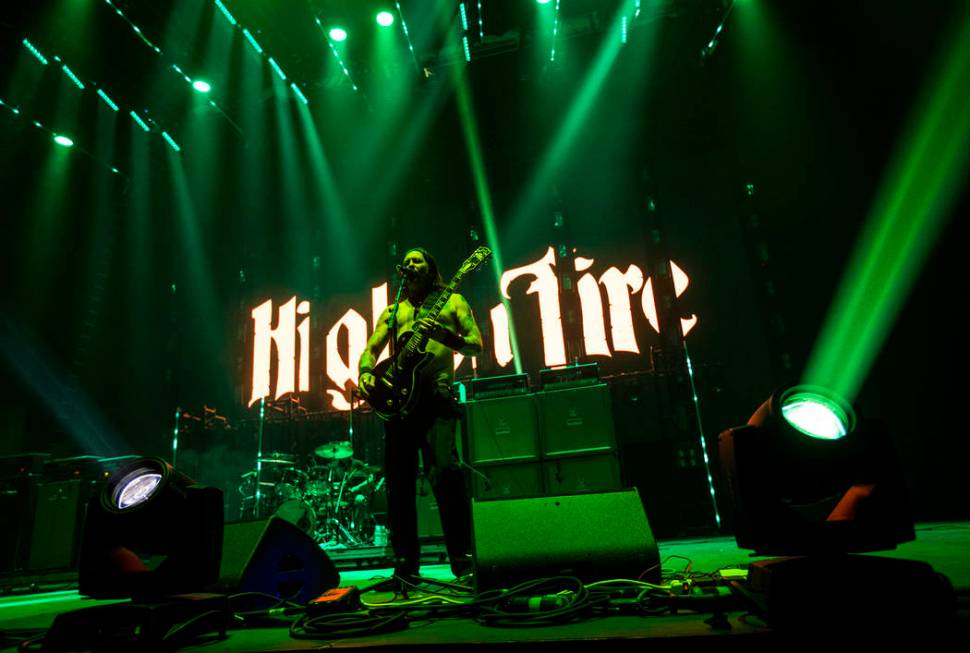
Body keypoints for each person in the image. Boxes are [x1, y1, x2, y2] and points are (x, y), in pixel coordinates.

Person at [357, 247, 483, 582]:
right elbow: (371, 349)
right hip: (399, 405)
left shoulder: (453, 302)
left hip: (436, 399)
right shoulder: (393, 310)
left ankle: (462, 560)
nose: (411, 265)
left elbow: (475, 344)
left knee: (446, 478)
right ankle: (405, 566)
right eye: (408, 261)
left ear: (431, 270)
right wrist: (366, 373)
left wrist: (446, 336)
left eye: (419, 261)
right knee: (398, 486)